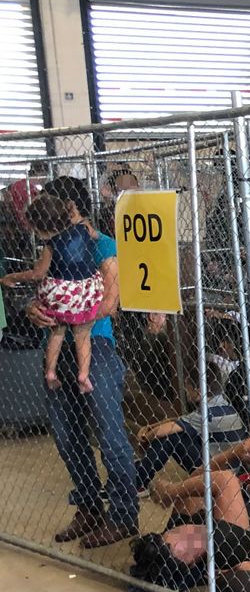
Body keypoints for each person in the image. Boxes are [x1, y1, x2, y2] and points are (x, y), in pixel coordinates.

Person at [28, 176, 137, 550]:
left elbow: (109, 302)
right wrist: (34, 310)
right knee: (67, 435)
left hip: (97, 345)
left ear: (71, 208)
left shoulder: (102, 245)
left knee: (109, 435)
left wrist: (67, 316)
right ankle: (89, 506)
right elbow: (43, 291)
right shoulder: (53, 246)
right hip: (57, 347)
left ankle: (123, 515)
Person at [1, 193, 103, 393]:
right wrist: (77, 219)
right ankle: (83, 374)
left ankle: (50, 372)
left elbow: (38, 273)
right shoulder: (84, 229)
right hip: (83, 292)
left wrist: (13, 277)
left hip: (60, 295)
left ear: (39, 229)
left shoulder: (51, 245)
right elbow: (96, 236)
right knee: (82, 333)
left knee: (56, 331)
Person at [134, 363, 247, 490]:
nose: (186, 392)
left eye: (188, 388)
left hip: (218, 473)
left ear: (198, 391)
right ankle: (139, 472)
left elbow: (168, 428)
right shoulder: (222, 405)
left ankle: (138, 481)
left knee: (171, 436)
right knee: (178, 430)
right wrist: (150, 427)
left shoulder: (207, 413)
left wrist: (145, 437)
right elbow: (179, 420)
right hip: (227, 467)